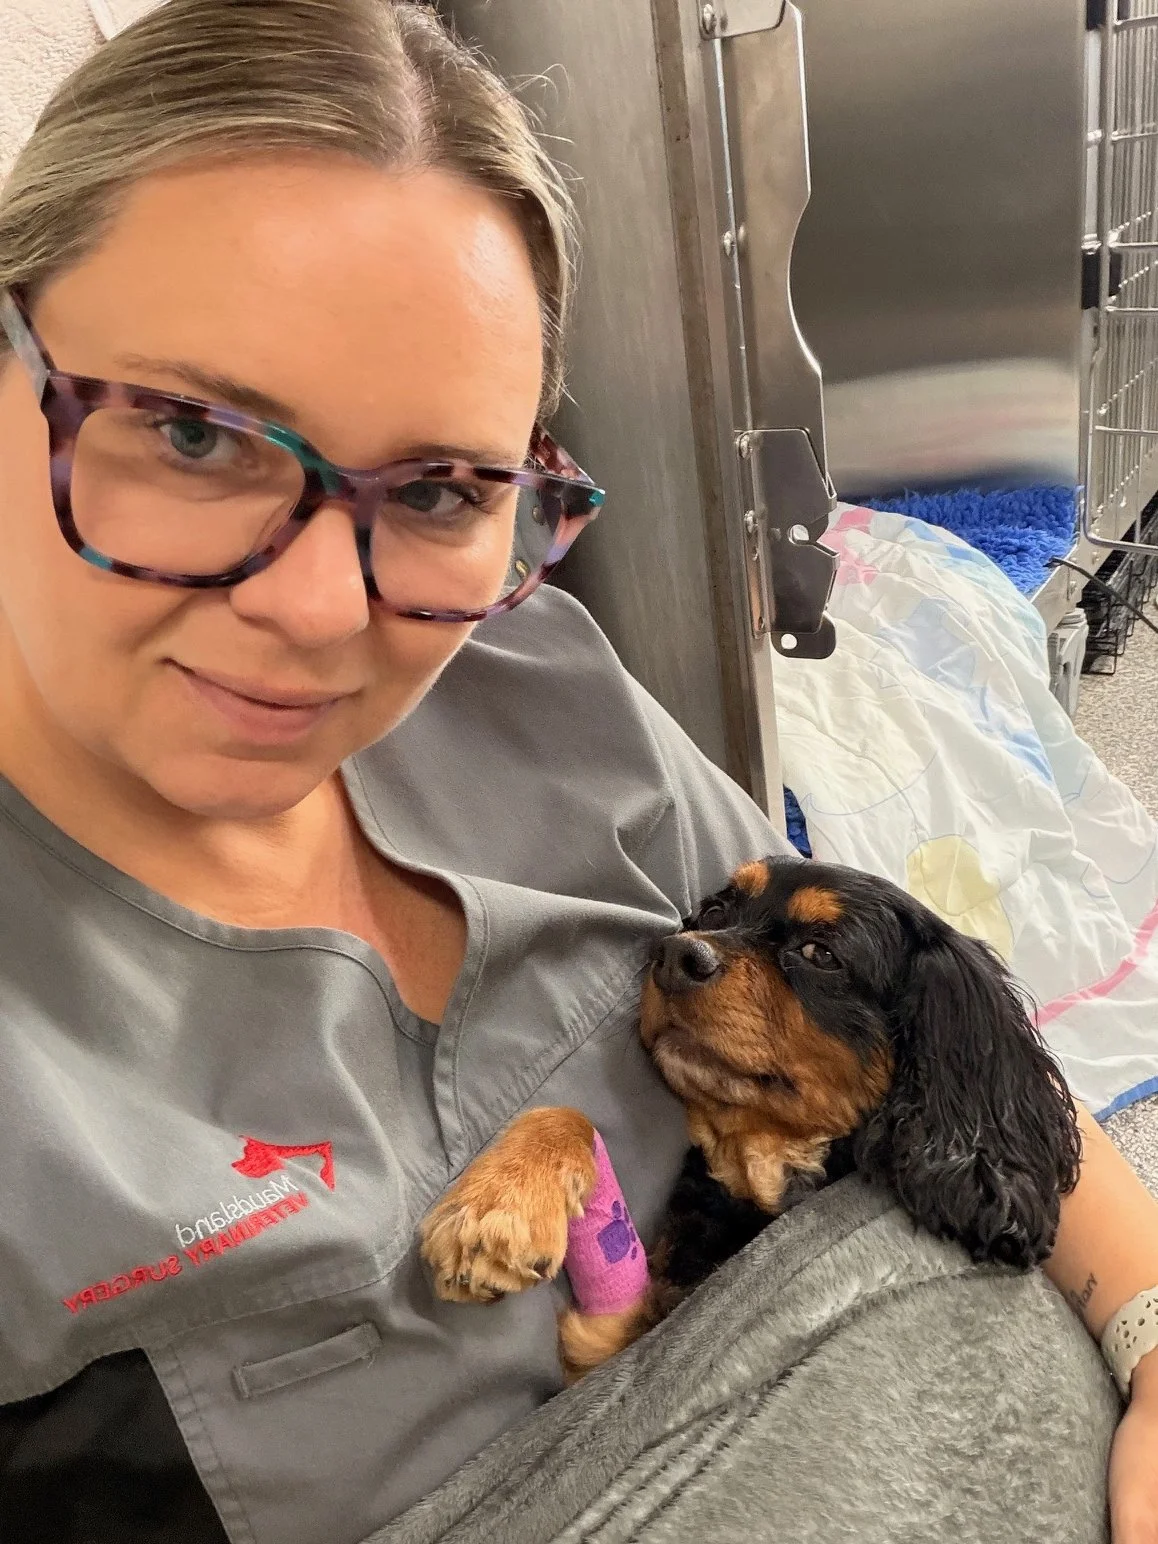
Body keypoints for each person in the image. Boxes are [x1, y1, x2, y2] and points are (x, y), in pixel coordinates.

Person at [0, 2, 1153, 1540]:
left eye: (440, 489)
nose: (320, 609)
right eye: (195, 437)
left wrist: (1149, 1328)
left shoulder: (536, 674)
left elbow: (957, 1060)